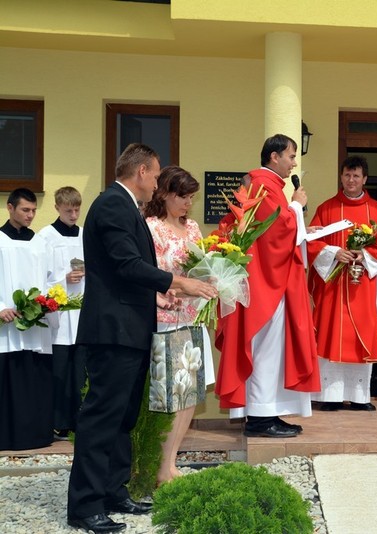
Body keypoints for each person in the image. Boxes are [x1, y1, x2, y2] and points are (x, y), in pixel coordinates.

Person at [67, 144, 217, 534]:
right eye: (155, 175)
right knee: (102, 418)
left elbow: (132, 271)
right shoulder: (113, 204)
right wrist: (177, 281)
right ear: (142, 171)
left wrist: (161, 289)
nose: (156, 183)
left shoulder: (123, 205)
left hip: (131, 328)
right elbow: (126, 263)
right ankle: (85, 506)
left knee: (123, 417)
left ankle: (114, 490)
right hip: (113, 329)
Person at [215, 134, 319, 439]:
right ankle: (260, 419)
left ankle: (268, 411)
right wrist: (297, 207)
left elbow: (274, 228)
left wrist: (302, 225)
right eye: (290, 156)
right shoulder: (262, 184)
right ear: (274, 157)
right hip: (265, 285)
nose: (294, 162)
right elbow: (276, 231)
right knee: (266, 349)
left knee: (271, 349)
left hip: (270, 281)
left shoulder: (265, 185)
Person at [307, 155, 377, 411]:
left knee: (362, 338)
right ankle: (330, 396)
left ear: (365, 179)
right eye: (347, 175)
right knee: (330, 334)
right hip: (333, 285)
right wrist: (334, 252)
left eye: (356, 176)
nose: (351, 180)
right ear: (341, 177)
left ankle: (360, 397)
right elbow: (312, 241)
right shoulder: (326, 209)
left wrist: (364, 255)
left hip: (363, 285)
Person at [144, 166, 216, 485]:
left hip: (191, 317)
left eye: (192, 197)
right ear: (165, 194)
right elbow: (149, 272)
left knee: (189, 395)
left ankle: (171, 463)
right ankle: (160, 468)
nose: (189, 203)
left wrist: (212, 277)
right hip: (164, 319)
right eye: (183, 197)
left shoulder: (193, 227)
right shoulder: (152, 228)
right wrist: (168, 291)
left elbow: (198, 267)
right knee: (168, 398)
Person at [0, 188, 53, 451]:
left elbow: (51, 278)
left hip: (36, 326)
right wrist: (0, 307)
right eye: (25, 210)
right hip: (6, 325)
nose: (31, 215)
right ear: (10, 208)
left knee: (35, 377)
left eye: (33, 210)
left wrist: (50, 302)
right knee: (8, 377)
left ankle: (37, 435)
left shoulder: (40, 243)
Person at [37, 186, 86, 442]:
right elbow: (38, 275)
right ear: (57, 207)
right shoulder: (45, 237)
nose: (74, 215)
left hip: (80, 313)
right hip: (58, 316)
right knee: (59, 370)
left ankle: (78, 420)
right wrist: (63, 279)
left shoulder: (84, 234)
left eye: (77, 209)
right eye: (69, 210)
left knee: (80, 371)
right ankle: (57, 422)